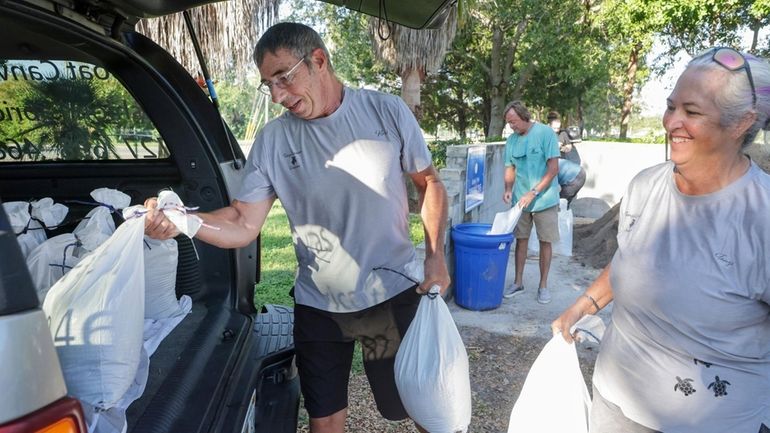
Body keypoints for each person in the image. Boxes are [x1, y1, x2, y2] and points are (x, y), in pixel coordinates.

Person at [144, 22, 450, 433]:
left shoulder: (385, 111)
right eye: (267, 85)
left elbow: (428, 182)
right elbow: (241, 221)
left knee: (417, 404)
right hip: (319, 305)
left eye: (283, 77)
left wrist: (435, 258)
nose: (277, 96)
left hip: (389, 296)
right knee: (323, 421)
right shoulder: (273, 141)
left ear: (319, 60)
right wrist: (182, 220)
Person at [552, 47, 770, 433]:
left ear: (741, 123)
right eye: (671, 107)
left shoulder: (761, 216)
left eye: (692, 111)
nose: (672, 122)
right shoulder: (646, 185)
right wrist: (583, 305)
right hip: (614, 402)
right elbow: (628, 259)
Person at [501, 101, 560, 304]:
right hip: (520, 201)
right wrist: (508, 190)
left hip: (545, 199)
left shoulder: (545, 134)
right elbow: (510, 168)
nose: (512, 126)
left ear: (524, 116)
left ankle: (543, 286)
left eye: (514, 122)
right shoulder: (511, 142)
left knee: (545, 241)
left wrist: (533, 192)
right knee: (521, 240)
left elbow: (553, 169)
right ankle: (518, 282)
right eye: (509, 123)